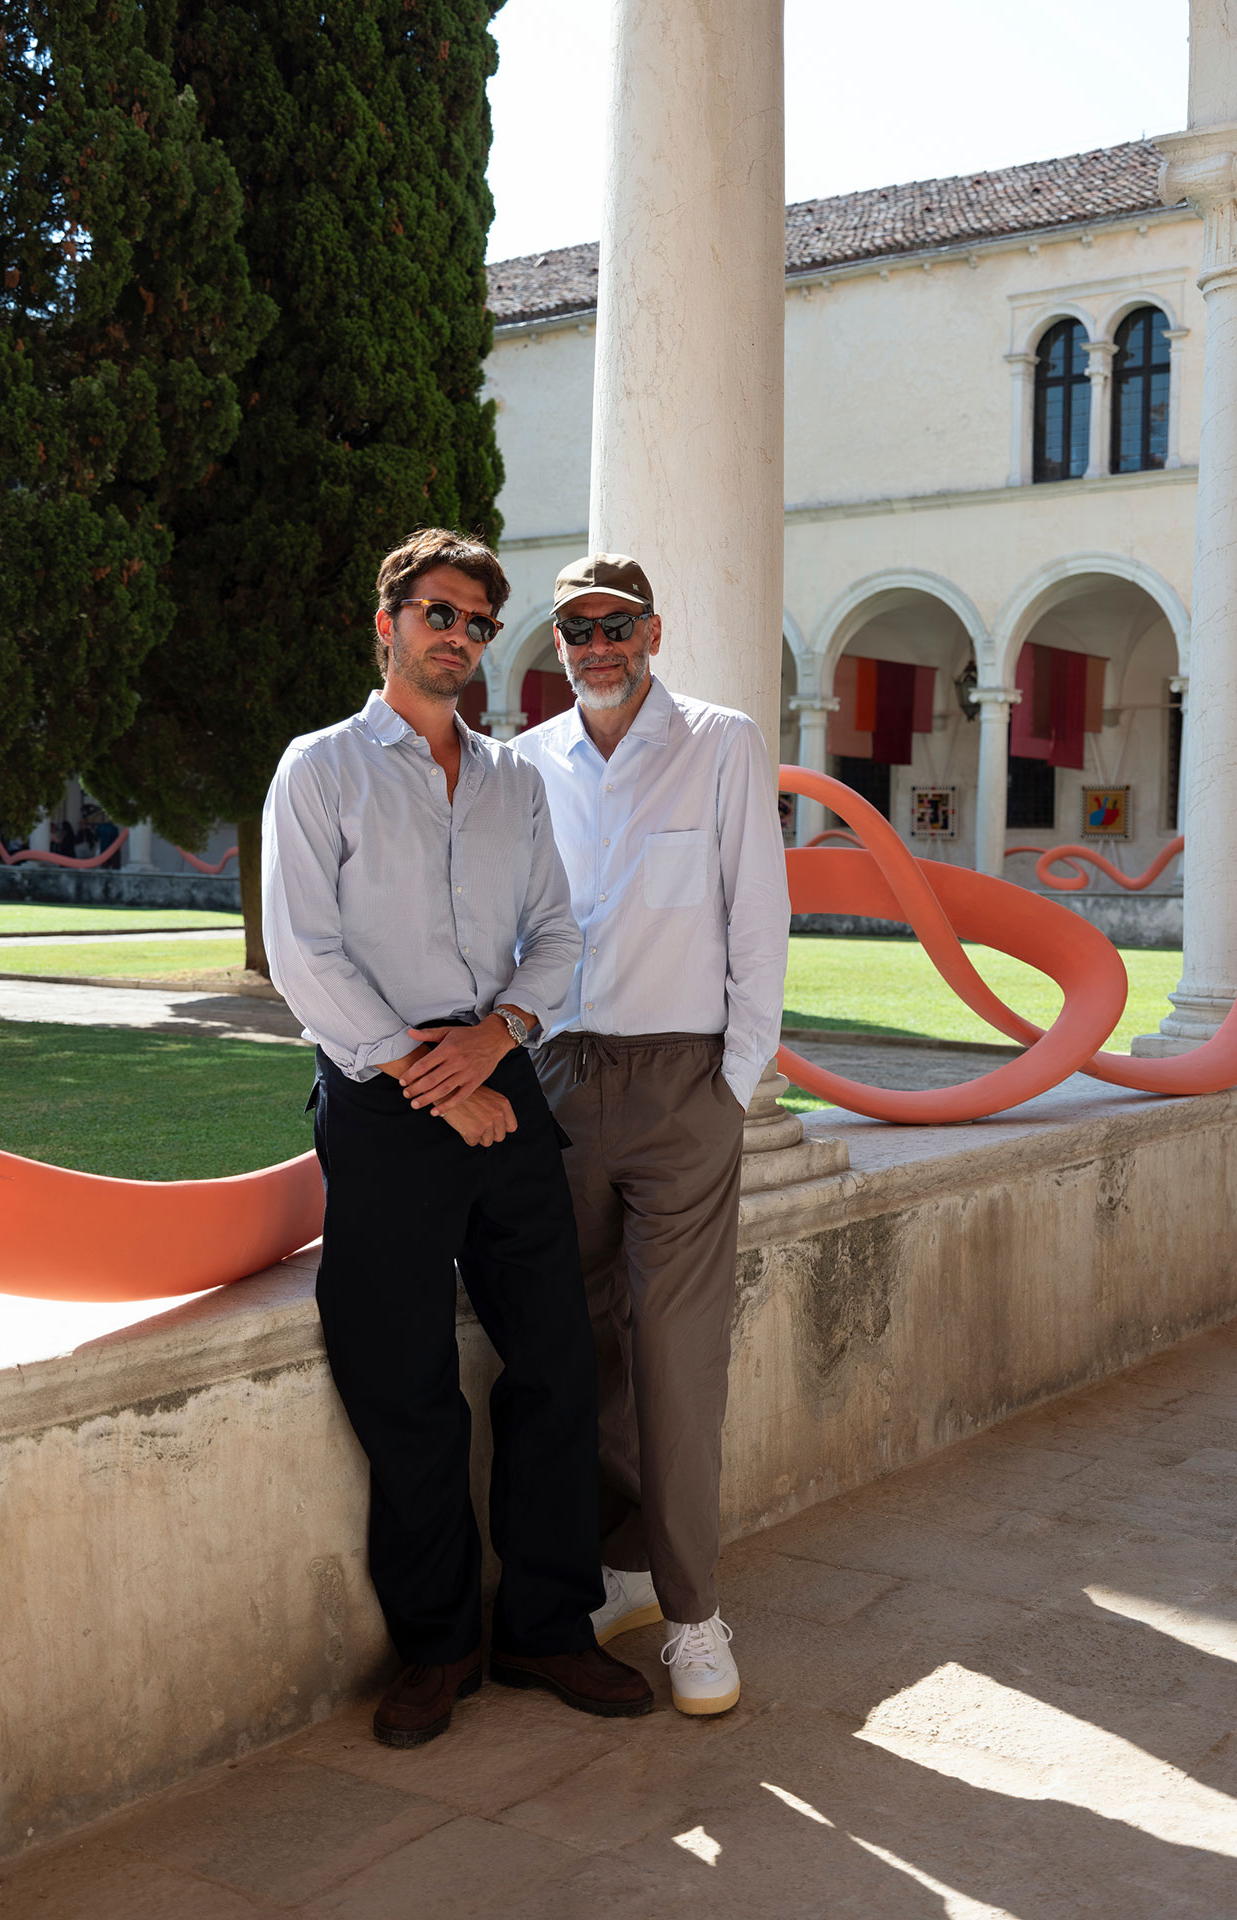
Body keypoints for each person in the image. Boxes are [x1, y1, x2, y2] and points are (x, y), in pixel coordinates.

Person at [261, 529, 653, 1747]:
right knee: (405, 1382)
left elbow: (557, 933)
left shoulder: (510, 782)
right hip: (379, 1099)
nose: (459, 639)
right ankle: (439, 1648)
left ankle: (545, 1627)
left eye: (479, 624)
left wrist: (496, 1041)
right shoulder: (319, 768)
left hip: (497, 1073)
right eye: (439, 614)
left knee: (554, 1364)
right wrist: (426, 1074)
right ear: (385, 622)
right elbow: (302, 954)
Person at [511, 552, 790, 1716]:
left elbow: (758, 913)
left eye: (616, 624)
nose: (597, 645)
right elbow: (519, 923)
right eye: (577, 629)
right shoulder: (525, 765)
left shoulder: (720, 743)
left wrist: (732, 1082)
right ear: (561, 646)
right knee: (580, 1349)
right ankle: (614, 1567)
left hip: (684, 1085)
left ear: (652, 630)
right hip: (561, 1082)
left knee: (676, 1361)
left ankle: (691, 1615)